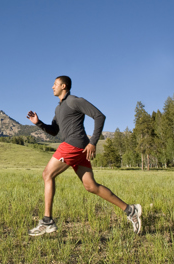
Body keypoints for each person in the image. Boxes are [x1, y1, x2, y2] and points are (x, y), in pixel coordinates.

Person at [26, 75, 142, 236]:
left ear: (64, 86)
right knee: (91, 186)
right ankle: (130, 210)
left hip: (74, 144)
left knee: (47, 174)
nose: (52, 87)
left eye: (55, 84)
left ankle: (47, 221)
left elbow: (99, 116)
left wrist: (93, 142)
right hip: (77, 148)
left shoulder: (74, 101)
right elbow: (54, 131)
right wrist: (38, 122)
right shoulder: (59, 108)